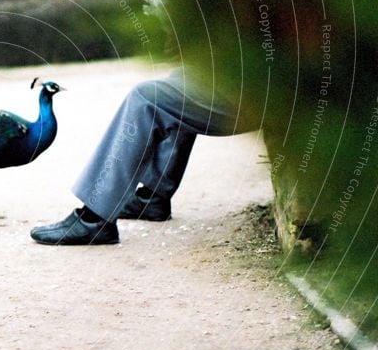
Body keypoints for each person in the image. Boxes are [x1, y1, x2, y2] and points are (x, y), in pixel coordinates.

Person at [29, 66, 255, 245]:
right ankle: (152, 198)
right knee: (181, 81)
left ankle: (94, 219)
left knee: (147, 96)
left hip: (261, 95)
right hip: (260, 86)